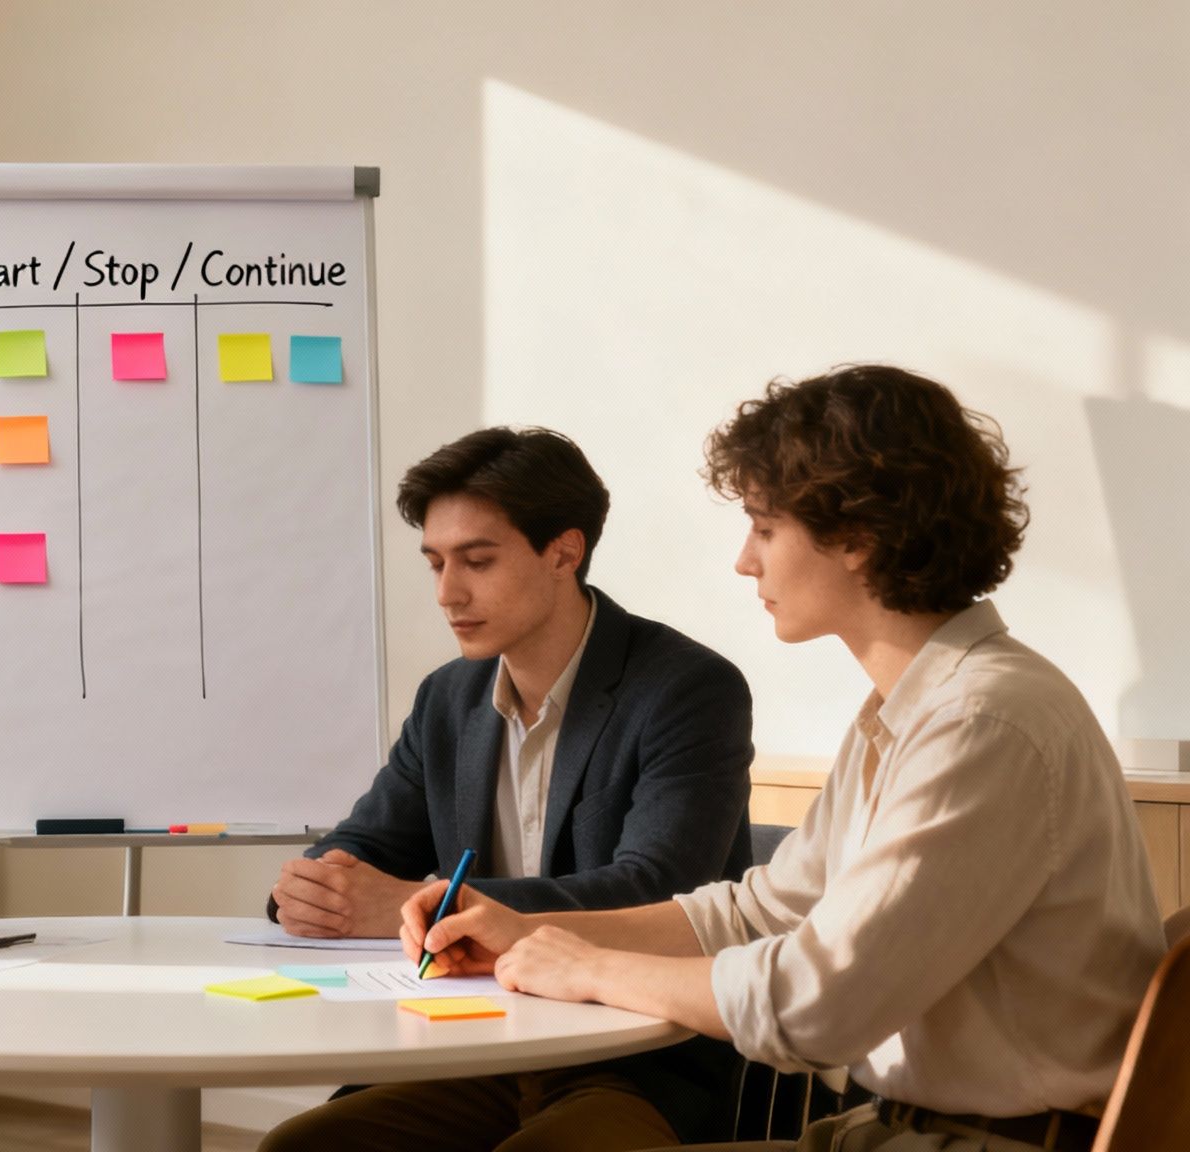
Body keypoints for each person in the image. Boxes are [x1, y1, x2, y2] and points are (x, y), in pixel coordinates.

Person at [405, 366, 1164, 1152]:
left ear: (858, 538)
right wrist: (526, 930)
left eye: (765, 527)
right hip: (899, 1129)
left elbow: (813, 1004)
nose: (745, 560)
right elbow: (757, 911)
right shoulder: (915, 710)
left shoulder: (982, 721)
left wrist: (588, 967)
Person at [261, 427, 756, 1150]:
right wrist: (315, 887)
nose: (447, 593)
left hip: (631, 1055)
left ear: (564, 551)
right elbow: (366, 842)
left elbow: (660, 888)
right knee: (298, 1148)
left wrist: (420, 903)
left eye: (478, 561)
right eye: (435, 563)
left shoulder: (686, 688)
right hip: (471, 1045)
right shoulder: (448, 699)